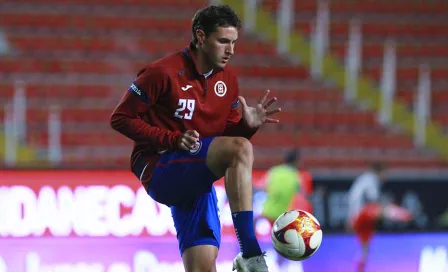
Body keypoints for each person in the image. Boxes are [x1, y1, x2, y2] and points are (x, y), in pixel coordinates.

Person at [110, 5, 281, 272]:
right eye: (223, 41)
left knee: (202, 267)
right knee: (241, 149)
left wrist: (247, 127)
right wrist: (171, 139)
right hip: (160, 168)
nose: (231, 50)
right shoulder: (161, 73)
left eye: (234, 42)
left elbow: (223, 144)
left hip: (194, 175)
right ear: (201, 37)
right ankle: (249, 252)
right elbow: (120, 118)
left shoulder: (228, 81)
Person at [347, 162, 412, 272]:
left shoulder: (365, 178)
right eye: (385, 173)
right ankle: (400, 214)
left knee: (365, 248)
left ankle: (359, 269)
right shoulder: (371, 179)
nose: (386, 177)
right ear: (380, 172)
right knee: (380, 209)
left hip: (358, 217)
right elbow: (374, 200)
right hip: (361, 214)